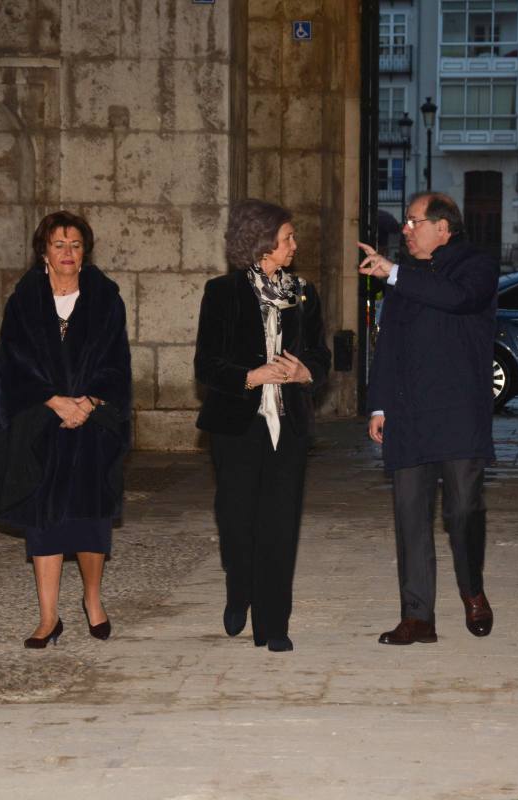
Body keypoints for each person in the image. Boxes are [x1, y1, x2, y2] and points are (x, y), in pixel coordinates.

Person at [0, 211, 131, 648]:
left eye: (76, 245)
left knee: (90, 518)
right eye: (59, 245)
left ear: (86, 251)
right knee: (43, 521)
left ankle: (93, 602)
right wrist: (54, 399)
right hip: (39, 422)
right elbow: (12, 363)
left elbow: (117, 362)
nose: (68, 253)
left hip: (92, 422)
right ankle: (48, 618)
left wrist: (89, 401)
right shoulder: (24, 300)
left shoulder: (105, 297)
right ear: (43, 250)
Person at [357, 192, 499, 646]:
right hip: (410, 413)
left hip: (459, 414)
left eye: (413, 221)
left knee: (462, 512)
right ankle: (417, 616)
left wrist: (394, 273)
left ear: (444, 227)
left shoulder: (475, 266)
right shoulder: (404, 277)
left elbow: (456, 299)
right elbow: (389, 344)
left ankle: (471, 588)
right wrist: (379, 405)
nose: (405, 230)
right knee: (410, 516)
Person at [194, 199, 331, 653]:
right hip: (236, 426)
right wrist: (253, 376)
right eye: (288, 237)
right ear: (262, 242)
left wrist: (303, 373)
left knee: (280, 524)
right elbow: (206, 366)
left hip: (287, 426)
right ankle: (240, 587)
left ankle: (274, 624)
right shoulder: (221, 293)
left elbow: (321, 358)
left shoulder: (304, 294)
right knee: (236, 522)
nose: (295, 244)